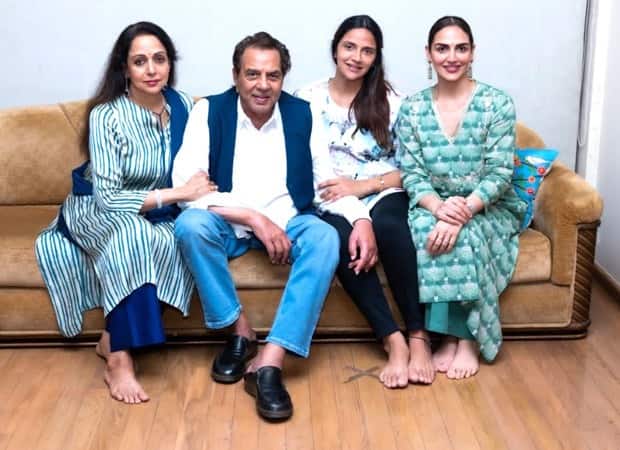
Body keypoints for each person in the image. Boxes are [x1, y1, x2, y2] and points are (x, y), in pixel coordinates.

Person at [172, 31, 375, 420]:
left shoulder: (302, 114)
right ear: (235, 75)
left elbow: (325, 185)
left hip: (289, 221)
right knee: (190, 226)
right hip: (229, 223)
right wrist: (252, 217)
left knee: (325, 236)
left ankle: (270, 360)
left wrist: (361, 218)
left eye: (273, 75)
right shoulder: (208, 111)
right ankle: (240, 331)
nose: (262, 85)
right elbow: (186, 189)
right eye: (252, 74)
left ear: (283, 78)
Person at [35, 21, 215, 404]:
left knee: (182, 238)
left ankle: (111, 337)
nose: (151, 70)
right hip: (97, 209)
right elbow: (109, 198)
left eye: (159, 59)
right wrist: (178, 193)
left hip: (158, 213)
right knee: (131, 234)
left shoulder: (185, 107)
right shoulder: (107, 116)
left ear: (170, 64)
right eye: (140, 61)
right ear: (124, 68)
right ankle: (119, 360)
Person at [295, 15, 433, 388]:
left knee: (392, 227)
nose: (356, 57)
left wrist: (365, 186)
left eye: (367, 51)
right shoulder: (306, 99)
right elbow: (298, 163)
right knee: (339, 240)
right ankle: (392, 339)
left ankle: (418, 335)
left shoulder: (393, 102)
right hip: (329, 197)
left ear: (376, 57)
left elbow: (414, 168)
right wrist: (349, 202)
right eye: (350, 47)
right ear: (335, 49)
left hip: (381, 188)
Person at [396, 16, 527, 379]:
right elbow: (412, 174)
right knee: (430, 233)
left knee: (466, 235)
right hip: (433, 203)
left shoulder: (497, 103)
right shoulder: (412, 108)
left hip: (488, 205)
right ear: (428, 53)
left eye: (460, 48)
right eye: (442, 48)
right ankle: (447, 338)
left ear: (473, 53)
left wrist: (463, 211)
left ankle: (466, 339)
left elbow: (500, 173)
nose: (451, 57)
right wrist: (440, 209)